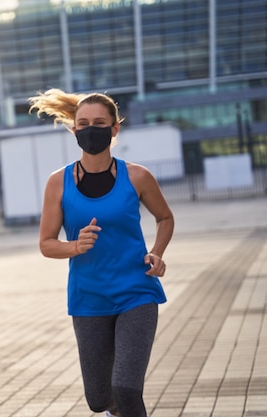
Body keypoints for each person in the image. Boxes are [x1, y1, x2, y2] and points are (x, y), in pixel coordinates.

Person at [29, 88, 174, 417]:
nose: (90, 129)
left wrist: (157, 252)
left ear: (114, 128)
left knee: (125, 388)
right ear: (74, 129)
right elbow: (46, 243)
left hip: (136, 293)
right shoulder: (58, 182)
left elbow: (165, 217)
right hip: (88, 299)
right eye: (83, 123)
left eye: (99, 122)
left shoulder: (137, 176)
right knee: (99, 399)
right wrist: (75, 246)